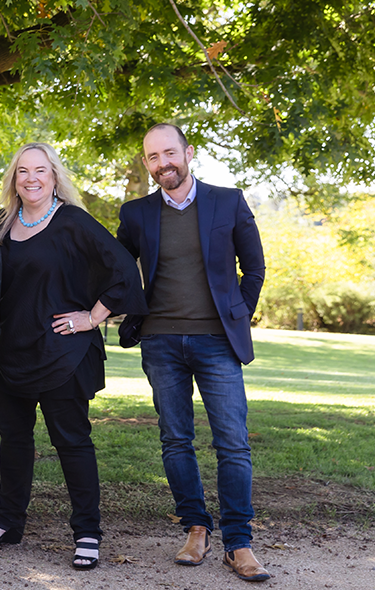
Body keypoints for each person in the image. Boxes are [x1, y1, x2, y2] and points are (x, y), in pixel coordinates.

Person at [0, 143, 147, 570]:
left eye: (40, 170)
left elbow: (124, 270)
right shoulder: (1, 223)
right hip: (8, 354)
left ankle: (87, 533)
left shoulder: (72, 221)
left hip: (62, 354)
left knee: (72, 443)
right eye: (23, 171)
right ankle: (7, 522)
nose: (31, 179)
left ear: (54, 177)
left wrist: (91, 318)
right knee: (14, 442)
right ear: (13, 179)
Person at [117, 123, 270, 582]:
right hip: (160, 342)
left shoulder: (228, 200)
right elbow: (117, 269)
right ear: (147, 164)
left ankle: (239, 543)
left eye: (169, 153)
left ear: (188, 152)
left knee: (233, 443)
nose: (163, 163)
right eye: (152, 157)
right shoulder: (136, 213)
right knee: (176, 440)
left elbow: (255, 266)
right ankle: (196, 528)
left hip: (217, 342)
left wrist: (238, 312)